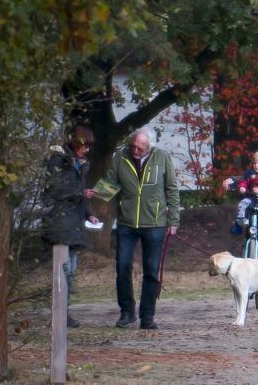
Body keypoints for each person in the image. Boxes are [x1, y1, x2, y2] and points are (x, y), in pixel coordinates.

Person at [86, 127, 180, 329]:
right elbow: (111, 181)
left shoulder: (162, 158)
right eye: (133, 145)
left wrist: (173, 221)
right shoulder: (121, 156)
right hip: (127, 223)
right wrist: (94, 199)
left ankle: (147, 317)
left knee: (152, 272)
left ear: (149, 147)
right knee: (122, 267)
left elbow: (171, 189)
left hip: (155, 223)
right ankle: (127, 312)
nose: (135, 150)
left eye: (140, 147)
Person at [41, 126, 95, 328]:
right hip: (61, 224)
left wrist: (89, 213)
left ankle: (64, 312)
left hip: (75, 223)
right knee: (64, 271)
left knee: (70, 272)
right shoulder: (58, 161)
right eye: (85, 147)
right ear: (77, 144)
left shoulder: (79, 164)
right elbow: (55, 190)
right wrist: (80, 195)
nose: (87, 151)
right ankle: (60, 313)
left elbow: (78, 191)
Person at [223, 149, 258, 237]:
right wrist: (242, 187)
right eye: (255, 163)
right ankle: (239, 225)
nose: (256, 165)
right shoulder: (250, 172)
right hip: (251, 197)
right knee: (243, 204)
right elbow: (244, 180)